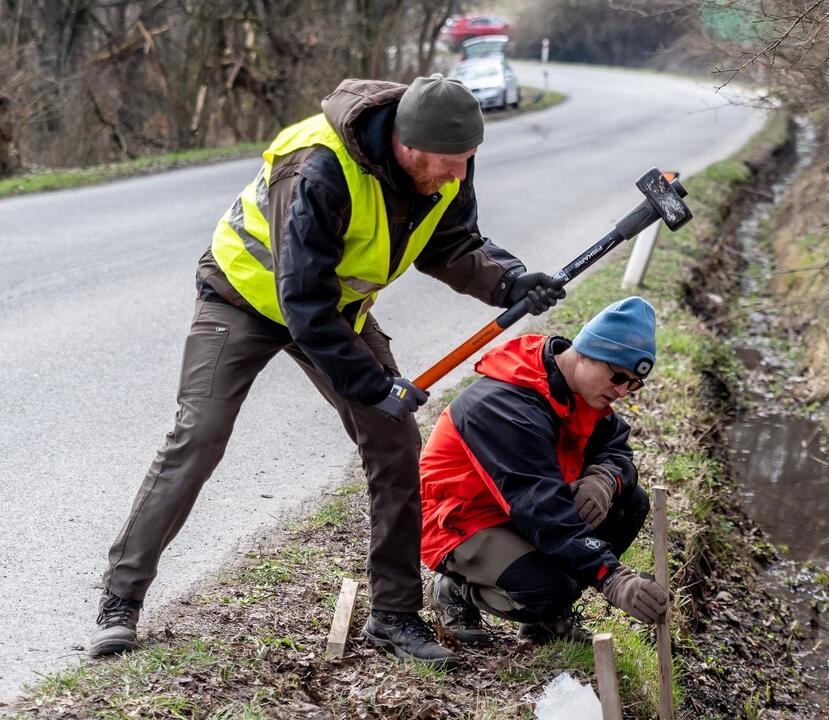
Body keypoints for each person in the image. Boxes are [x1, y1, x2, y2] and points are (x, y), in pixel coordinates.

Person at [88, 74, 565, 668]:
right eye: (450, 163)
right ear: (408, 145)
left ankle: (394, 615)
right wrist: (373, 384)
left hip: (334, 310)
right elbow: (302, 302)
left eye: (469, 161)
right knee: (199, 438)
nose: (460, 175)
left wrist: (510, 280)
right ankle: (120, 599)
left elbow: (452, 244)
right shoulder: (317, 167)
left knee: (394, 447)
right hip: (242, 299)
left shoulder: (445, 163)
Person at [420, 296, 668, 645]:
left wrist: (605, 480)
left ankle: (544, 618)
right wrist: (611, 576)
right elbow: (540, 506)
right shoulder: (506, 403)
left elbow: (617, 448)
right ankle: (456, 588)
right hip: (463, 520)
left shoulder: (584, 392)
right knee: (548, 589)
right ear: (585, 352)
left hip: (524, 510)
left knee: (631, 502)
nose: (623, 391)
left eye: (634, 384)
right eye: (617, 376)